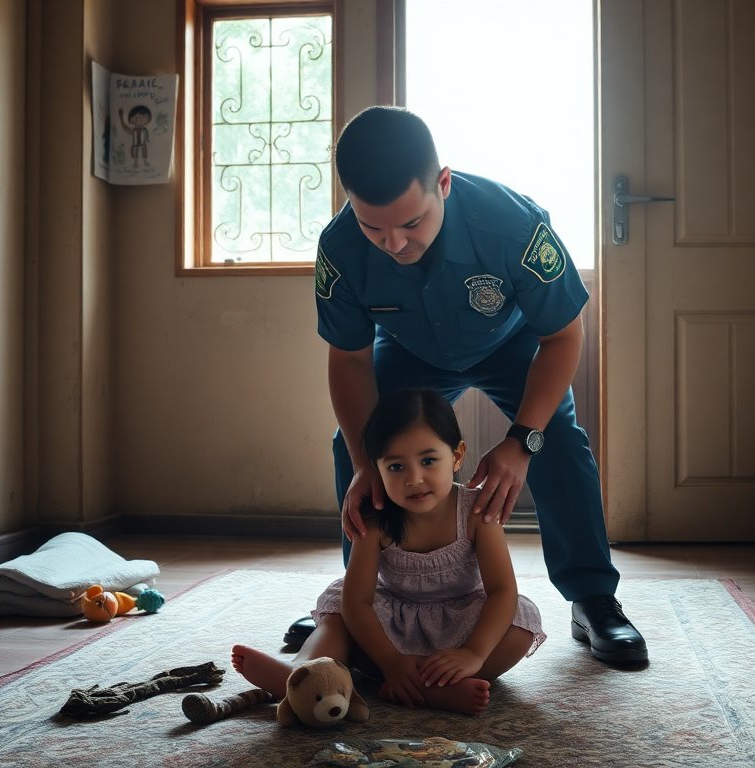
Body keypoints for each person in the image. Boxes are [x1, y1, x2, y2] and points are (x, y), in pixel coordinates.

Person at [289, 105, 647, 666]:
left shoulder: (513, 226)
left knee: (556, 437)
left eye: (411, 223)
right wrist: (365, 463)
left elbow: (563, 337)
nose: (393, 243)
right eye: (372, 226)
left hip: (514, 344)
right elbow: (350, 361)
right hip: (410, 352)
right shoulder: (339, 248)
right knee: (357, 447)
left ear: (444, 183)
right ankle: (358, 600)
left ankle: (593, 598)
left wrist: (521, 441)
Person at [235, 389, 545, 716]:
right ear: (376, 469)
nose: (414, 479)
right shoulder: (376, 518)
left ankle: (417, 684)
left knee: (519, 626)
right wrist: (391, 661)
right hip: (389, 627)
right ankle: (307, 672)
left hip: (459, 621)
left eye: (428, 461)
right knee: (339, 617)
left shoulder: (477, 511)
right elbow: (357, 601)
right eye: (396, 467)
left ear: (456, 456)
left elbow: (501, 591)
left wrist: (473, 653)